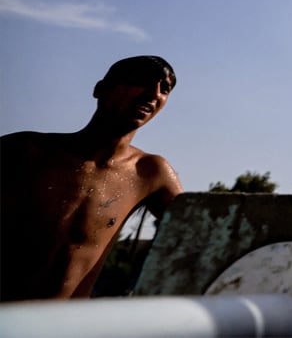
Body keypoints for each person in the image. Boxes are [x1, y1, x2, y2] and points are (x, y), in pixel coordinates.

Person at [0, 56, 184, 301]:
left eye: (165, 88)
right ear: (101, 89)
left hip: (66, 326)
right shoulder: (26, 150)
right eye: (142, 81)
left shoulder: (150, 172)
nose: (154, 93)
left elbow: (201, 232)